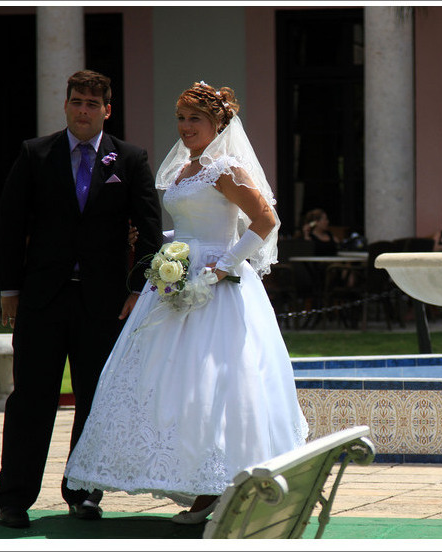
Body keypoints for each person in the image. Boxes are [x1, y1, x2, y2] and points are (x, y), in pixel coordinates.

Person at [64, 82, 309, 524]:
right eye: (181, 117)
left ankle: (218, 488)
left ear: (219, 124)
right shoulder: (184, 169)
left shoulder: (224, 168)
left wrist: (223, 266)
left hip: (219, 288)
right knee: (171, 383)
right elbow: (196, 227)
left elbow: (265, 220)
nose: (186, 126)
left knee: (216, 382)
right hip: (178, 281)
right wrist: (169, 247)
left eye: (195, 118)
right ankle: (198, 480)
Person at [0, 70, 163, 528]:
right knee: (31, 399)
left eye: (92, 103)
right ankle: (13, 498)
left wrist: (135, 290)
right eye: (76, 102)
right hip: (42, 299)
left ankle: (83, 492)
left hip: (103, 303)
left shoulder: (129, 159)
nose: (82, 110)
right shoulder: (35, 154)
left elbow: (149, 230)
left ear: (107, 109)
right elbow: (9, 224)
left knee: (94, 401)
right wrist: (9, 290)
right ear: (65, 105)